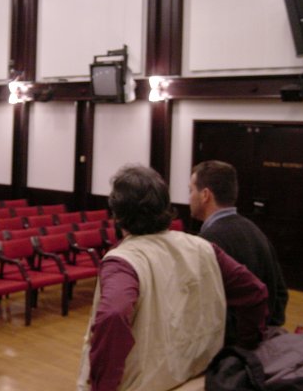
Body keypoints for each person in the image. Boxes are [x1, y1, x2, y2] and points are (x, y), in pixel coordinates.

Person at [77, 165, 268, 391]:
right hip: (199, 375)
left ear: (117, 215)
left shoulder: (122, 262)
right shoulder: (203, 247)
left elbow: (113, 315)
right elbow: (255, 292)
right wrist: (242, 350)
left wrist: (103, 386)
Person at [189, 160, 289, 342]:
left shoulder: (208, 242)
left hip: (232, 345)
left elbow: (203, 307)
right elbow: (280, 292)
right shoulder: (255, 230)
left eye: (191, 190)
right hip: (260, 340)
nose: (189, 198)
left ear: (205, 195)